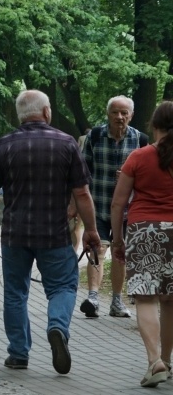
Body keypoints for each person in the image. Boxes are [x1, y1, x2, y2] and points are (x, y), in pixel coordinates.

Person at [0, 90, 100, 374]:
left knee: (16, 293)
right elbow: (81, 193)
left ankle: (18, 354)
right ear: (46, 112)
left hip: (16, 234)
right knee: (64, 286)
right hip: (54, 234)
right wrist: (91, 230)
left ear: (21, 115)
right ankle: (56, 327)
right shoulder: (66, 144)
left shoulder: (4, 145)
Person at [110, 100, 173, 387]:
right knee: (170, 301)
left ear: (154, 126)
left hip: (144, 230)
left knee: (146, 296)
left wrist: (117, 240)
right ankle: (167, 362)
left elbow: (118, 203)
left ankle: (154, 361)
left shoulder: (138, 157)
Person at [79, 96, 148, 319]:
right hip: (98, 205)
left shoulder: (141, 140)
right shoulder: (95, 136)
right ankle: (93, 297)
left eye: (124, 113)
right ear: (108, 114)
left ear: (131, 115)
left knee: (121, 254)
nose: (119, 117)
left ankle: (116, 302)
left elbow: (149, 178)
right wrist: (77, 204)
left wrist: (131, 179)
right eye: (115, 112)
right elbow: (82, 173)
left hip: (129, 210)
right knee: (97, 249)